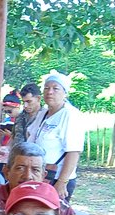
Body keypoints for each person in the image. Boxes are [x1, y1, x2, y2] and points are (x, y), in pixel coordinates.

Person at [28, 72, 85, 200]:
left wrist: (62, 182)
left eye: (55, 88)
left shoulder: (70, 115)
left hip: (56, 177)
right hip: (40, 175)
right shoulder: (43, 113)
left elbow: (73, 151)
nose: (50, 92)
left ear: (65, 93)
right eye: (47, 88)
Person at [12, 82, 41, 150]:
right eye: (23, 102)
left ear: (38, 98)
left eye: (29, 101)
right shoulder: (20, 117)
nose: (25, 105)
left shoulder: (46, 117)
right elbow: (13, 137)